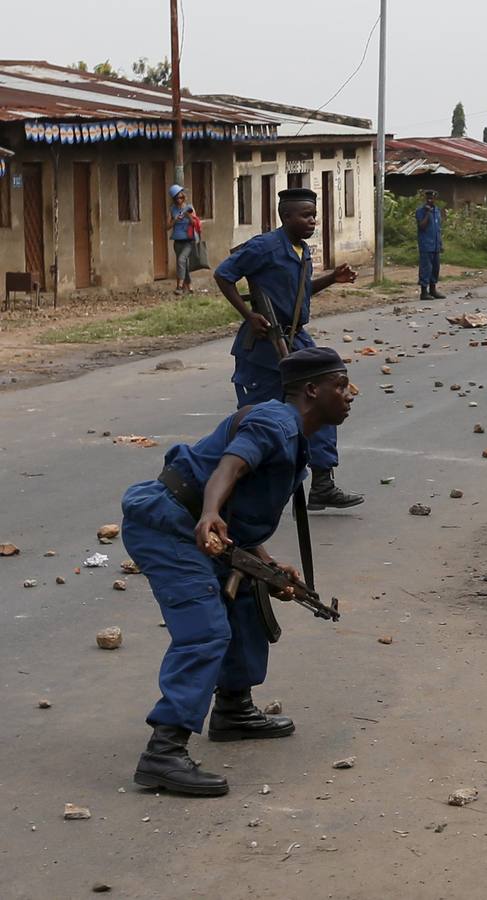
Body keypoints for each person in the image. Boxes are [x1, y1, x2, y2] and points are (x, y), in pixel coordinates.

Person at [121, 347, 354, 796]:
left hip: (200, 523)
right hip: (169, 525)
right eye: (340, 386)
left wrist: (266, 563)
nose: (349, 395)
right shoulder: (275, 421)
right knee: (205, 631)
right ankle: (163, 753)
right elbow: (231, 465)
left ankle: (233, 710)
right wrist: (210, 514)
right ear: (312, 390)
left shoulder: (294, 436)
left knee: (247, 601)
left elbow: (240, 510)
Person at [213, 187, 362, 511]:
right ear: (286, 216)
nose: (312, 221)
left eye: (314, 215)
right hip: (263, 345)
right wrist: (248, 315)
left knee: (322, 401)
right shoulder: (264, 247)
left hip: (295, 340)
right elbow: (223, 275)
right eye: (306, 215)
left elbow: (299, 293)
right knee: (257, 419)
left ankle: (322, 484)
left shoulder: (302, 251)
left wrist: (331, 279)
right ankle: (231, 490)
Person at [167, 185, 199, 293]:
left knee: (181, 260)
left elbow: (195, 223)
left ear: (183, 196)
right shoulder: (172, 209)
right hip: (177, 241)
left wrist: (188, 216)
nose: (179, 200)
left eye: (180, 197)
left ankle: (179, 286)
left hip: (188, 240)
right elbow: (166, 227)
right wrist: (175, 220)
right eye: (176, 198)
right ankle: (189, 286)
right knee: (183, 264)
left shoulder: (189, 207)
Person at [415, 190, 444, 300]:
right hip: (426, 244)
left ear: (435, 199)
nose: (430, 200)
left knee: (435, 268)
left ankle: (433, 290)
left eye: (432, 198)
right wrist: (427, 213)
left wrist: (440, 243)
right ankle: (424, 292)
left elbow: (438, 229)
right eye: (428, 198)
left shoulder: (437, 211)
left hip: (435, 245)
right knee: (426, 268)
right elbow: (421, 226)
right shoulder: (420, 211)